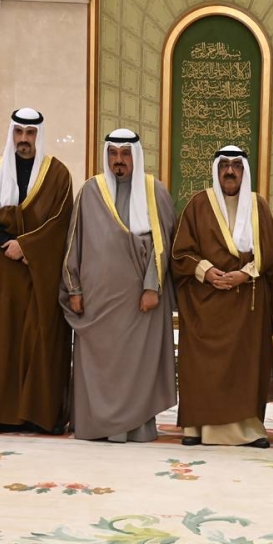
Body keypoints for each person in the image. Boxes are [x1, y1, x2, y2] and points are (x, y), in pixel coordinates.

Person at [59, 129, 176, 442]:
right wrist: (74, 289)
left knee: (136, 366)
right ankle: (96, 425)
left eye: (125, 154)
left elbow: (163, 245)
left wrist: (152, 287)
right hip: (97, 299)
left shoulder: (154, 191)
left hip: (140, 302)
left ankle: (136, 427)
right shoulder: (90, 191)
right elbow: (73, 243)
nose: (118, 160)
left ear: (135, 155)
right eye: (113, 153)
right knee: (100, 364)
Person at [171, 145, 273, 447]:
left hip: (246, 304)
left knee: (245, 366)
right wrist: (207, 271)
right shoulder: (198, 204)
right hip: (205, 304)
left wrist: (245, 273)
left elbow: (270, 254)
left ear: (244, 170)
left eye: (236, 165)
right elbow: (180, 253)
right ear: (216, 170)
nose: (230, 171)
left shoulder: (258, 206)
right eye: (224, 166)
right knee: (204, 366)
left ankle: (249, 429)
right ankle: (198, 428)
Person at [0, 108, 74, 435]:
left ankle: (41, 415)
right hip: (1, 273)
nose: (24, 139)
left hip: (39, 274)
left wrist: (26, 247)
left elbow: (60, 222)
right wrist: (8, 245)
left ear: (39, 135)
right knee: (0, 342)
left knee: (40, 341)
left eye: (30, 133)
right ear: (12, 134)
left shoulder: (57, 174)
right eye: (19, 132)